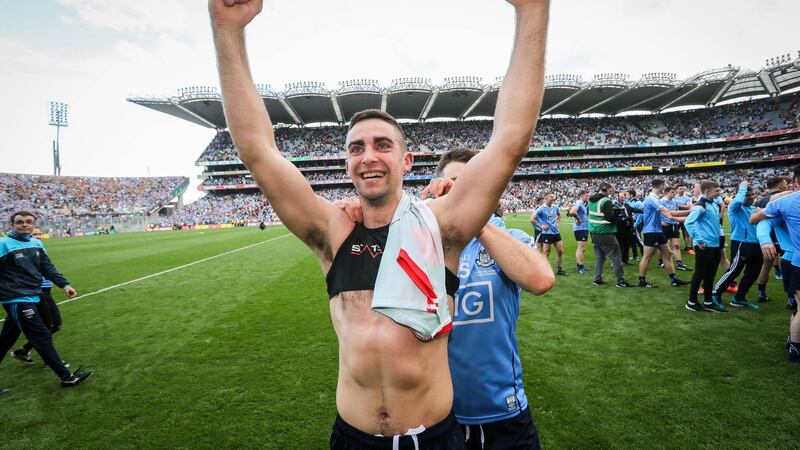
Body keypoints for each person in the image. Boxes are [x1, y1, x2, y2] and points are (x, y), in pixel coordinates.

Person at [208, 0, 549, 446]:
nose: (368, 156)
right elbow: (257, 150)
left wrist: (532, 10)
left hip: (435, 437)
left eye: (382, 145)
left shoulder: (440, 228)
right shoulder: (334, 233)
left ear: (406, 160)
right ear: (348, 163)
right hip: (352, 437)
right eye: (356, 148)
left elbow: (509, 141)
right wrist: (226, 28)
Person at [394, 148, 555, 449]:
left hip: (502, 412)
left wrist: (474, 218)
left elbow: (541, 279)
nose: (464, 193)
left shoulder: (507, 239)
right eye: (455, 183)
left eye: (473, 185)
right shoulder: (419, 246)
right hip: (436, 416)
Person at [0, 212, 92, 388]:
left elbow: (47, 267)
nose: (24, 225)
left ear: (34, 225)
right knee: (41, 335)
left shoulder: (36, 243)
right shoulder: (3, 244)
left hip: (33, 294)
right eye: (19, 222)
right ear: (11, 225)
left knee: (5, 340)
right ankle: (66, 377)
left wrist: (64, 285)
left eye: (29, 222)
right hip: (16, 298)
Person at [750, 163, 800, 362]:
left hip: (792, 259)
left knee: (797, 307)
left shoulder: (784, 201)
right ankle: (795, 346)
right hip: (791, 259)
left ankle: (793, 341)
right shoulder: (784, 201)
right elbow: (761, 221)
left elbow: (757, 219)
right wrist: (765, 240)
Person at [10, 227, 66, 367]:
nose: (38, 237)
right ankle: (51, 361)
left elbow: (48, 268)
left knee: (54, 325)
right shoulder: (22, 251)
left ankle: (23, 351)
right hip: (34, 292)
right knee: (48, 326)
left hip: (45, 291)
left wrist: (63, 284)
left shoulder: (38, 248)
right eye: (34, 234)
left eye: (39, 234)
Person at [711, 181, 762, 309]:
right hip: (741, 243)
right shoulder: (735, 207)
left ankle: (739, 297)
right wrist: (743, 186)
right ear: (741, 194)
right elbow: (738, 200)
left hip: (756, 244)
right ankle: (715, 293)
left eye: (752, 195)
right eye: (747, 195)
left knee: (753, 272)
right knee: (734, 270)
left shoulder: (753, 208)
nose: (751, 197)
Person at [638, 179, 690, 288]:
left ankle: (674, 279)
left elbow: (669, 214)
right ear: (660, 186)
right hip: (651, 231)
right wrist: (691, 211)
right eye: (663, 186)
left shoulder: (655, 198)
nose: (664, 188)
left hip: (657, 231)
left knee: (668, 254)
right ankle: (642, 281)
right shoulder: (651, 198)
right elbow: (669, 213)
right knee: (648, 256)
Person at [684, 180, 725, 312]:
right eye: (717, 190)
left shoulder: (713, 203)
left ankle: (708, 302)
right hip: (705, 246)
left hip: (715, 244)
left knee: (710, 274)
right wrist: (699, 240)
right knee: (700, 274)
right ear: (708, 192)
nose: (719, 192)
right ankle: (692, 302)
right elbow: (689, 222)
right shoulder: (700, 205)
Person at [588, 183, 634, 288]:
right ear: (607, 189)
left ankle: (597, 279)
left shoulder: (591, 200)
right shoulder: (606, 201)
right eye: (610, 190)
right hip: (605, 232)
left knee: (600, 257)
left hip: (594, 232)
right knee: (616, 256)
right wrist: (621, 219)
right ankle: (621, 281)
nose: (610, 192)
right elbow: (609, 218)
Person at [753, 176, 791, 302]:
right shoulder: (786, 198)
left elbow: (754, 219)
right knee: (789, 267)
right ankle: (792, 298)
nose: (788, 186)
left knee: (766, 266)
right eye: (786, 184)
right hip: (785, 239)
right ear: (781, 186)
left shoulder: (760, 201)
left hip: (768, 239)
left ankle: (761, 293)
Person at [532, 193, 567, 276]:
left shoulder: (555, 207)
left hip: (556, 232)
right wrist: (541, 226)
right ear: (546, 198)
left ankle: (559, 269)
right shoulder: (541, 209)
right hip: (547, 233)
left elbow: (559, 216)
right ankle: (546, 271)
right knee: (546, 252)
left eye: (553, 197)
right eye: (551, 197)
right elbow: (532, 220)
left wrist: (557, 223)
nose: (553, 198)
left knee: (560, 251)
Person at [660, 186, 691, 271]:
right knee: (663, 246)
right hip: (664, 226)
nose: (674, 193)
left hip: (673, 225)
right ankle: (661, 261)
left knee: (676, 245)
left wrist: (677, 220)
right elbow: (656, 213)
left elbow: (676, 211)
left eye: (674, 192)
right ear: (666, 192)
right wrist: (661, 222)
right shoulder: (661, 202)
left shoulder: (675, 201)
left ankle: (679, 263)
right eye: (672, 192)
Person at [569, 191, 589, 274]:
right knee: (581, 247)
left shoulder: (582, 204)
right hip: (580, 228)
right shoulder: (579, 203)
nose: (588, 197)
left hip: (583, 228)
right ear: (582, 196)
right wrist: (579, 219)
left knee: (583, 248)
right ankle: (580, 267)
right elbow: (572, 212)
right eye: (587, 196)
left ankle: (579, 264)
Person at [675, 185, 694, 253]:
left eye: (683, 189)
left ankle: (689, 248)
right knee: (675, 234)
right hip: (676, 217)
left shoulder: (688, 198)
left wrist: (678, 206)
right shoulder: (674, 197)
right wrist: (684, 206)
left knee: (686, 233)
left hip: (685, 217)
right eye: (680, 189)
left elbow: (689, 207)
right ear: (677, 190)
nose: (682, 190)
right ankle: (676, 248)